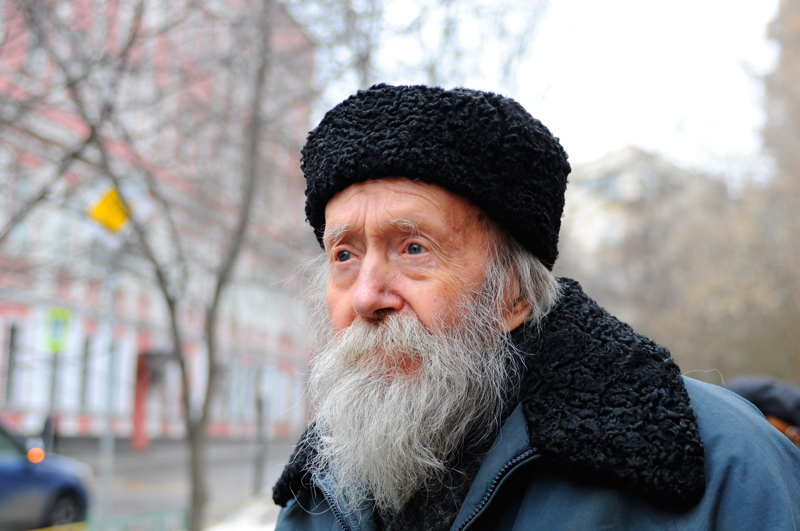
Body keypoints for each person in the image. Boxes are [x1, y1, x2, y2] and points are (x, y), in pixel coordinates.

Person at [272, 84, 800, 531]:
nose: (366, 297)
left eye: (413, 248)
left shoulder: (727, 468)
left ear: (513, 295)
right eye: (345, 255)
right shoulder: (317, 494)